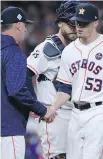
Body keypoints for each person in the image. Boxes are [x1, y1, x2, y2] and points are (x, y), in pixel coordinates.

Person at [27, 1, 79, 159]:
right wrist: (33, 105)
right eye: (71, 24)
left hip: (78, 116)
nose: (76, 29)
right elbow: (23, 74)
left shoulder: (79, 50)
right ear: (60, 23)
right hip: (56, 117)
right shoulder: (46, 48)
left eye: (79, 24)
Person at [50, 3, 103, 159]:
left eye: (84, 23)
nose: (79, 27)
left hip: (98, 112)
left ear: (95, 23)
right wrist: (52, 108)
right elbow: (65, 87)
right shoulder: (69, 50)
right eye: (77, 22)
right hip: (75, 114)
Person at [1, 6, 54, 159]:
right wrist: (41, 109)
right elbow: (15, 90)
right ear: (18, 25)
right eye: (25, 25)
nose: (25, 29)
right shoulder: (13, 52)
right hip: (8, 130)